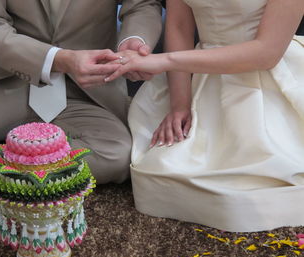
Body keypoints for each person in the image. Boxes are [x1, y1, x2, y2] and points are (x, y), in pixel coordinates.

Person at [106, 0, 304, 232]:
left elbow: (266, 53)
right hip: (200, 76)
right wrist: (180, 103)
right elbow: (179, 27)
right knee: (166, 166)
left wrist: (163, 61)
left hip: (267, 74)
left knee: (268, 172)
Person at [0, 0, 162, 183]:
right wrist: (59, 60)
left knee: (116, 154)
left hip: (83, 91)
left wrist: (134, 41)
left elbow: (141, 5)